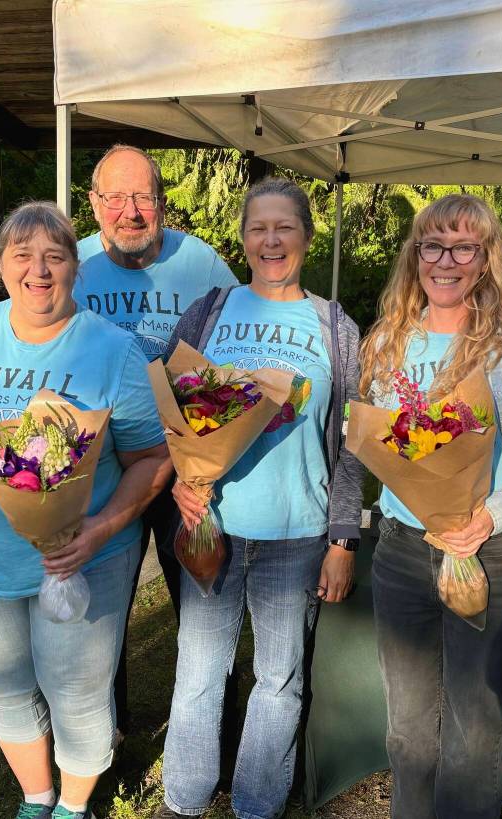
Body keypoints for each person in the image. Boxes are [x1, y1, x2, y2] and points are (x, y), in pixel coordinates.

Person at [0, 201, 172, 819]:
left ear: (76, 268)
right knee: (4, 683)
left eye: (55, 256)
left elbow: (152, 457)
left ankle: (72, 807)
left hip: (81, 560)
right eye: (22, 255)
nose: (38, 270)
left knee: (76, 691)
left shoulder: (113, 349)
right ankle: (36, 798)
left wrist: (101, 528)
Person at [154, 177, 364, 819]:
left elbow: (354, 441)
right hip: (212, 527)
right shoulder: (210, 311)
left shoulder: (334, 325)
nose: (271, 240)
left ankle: (256, 804)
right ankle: (184, 800)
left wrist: (342, 537)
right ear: (243, 238)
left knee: (279, 680)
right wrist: (185, 481)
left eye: (285, 228)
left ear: (306, 234)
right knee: (198, 670)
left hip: (298, 533)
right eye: (258, 228)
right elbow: (171, 405)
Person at [359, 193, 502, 819]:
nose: (445, 260)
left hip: (492, 551)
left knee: (476, 730)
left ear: (487, 259)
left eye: (464, 247)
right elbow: (375, 441)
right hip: (401, 548)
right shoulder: (387, 343)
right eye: (433, 244)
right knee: (407, 728)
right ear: (415, 254)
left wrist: (490, 516)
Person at [74, 144, 239, 738]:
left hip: (186, 469)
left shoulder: (203, 265)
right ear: (94, 204)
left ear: (163, 203)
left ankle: (211, 733)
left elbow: (234, 355)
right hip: (95, 471)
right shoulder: (71, 265)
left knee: (202, 599)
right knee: (99, 615)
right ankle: (102, 738)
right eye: (115, 197)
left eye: (143, 196)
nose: (131, 211)